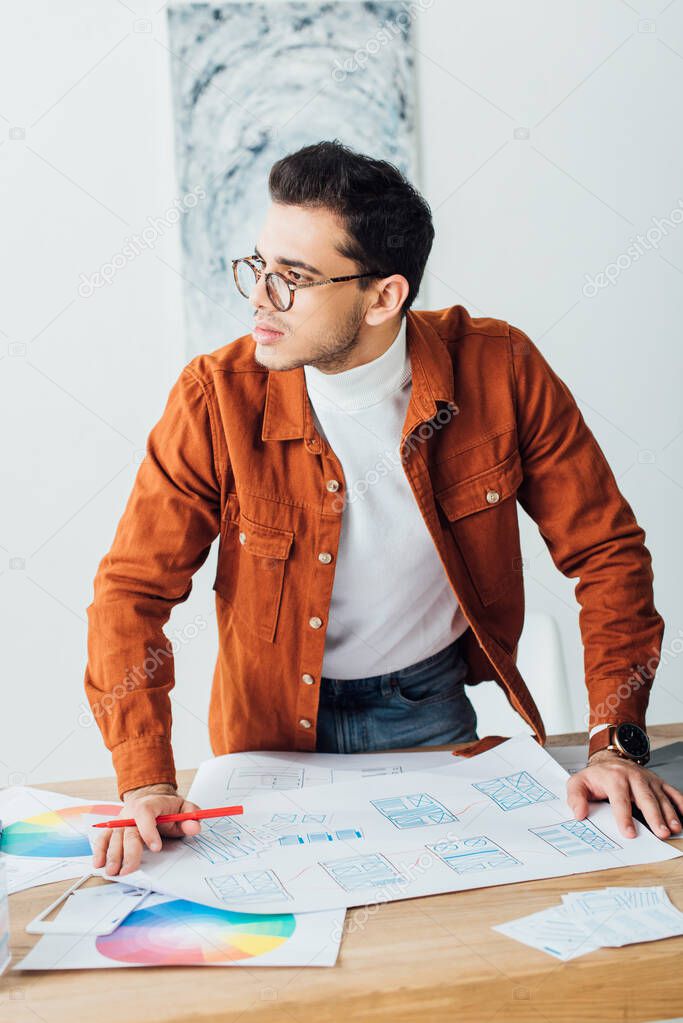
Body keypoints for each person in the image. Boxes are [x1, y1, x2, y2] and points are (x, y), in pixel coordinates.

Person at [87, 140, 682, 878]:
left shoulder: (500, 368)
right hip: (266, 732)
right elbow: (130, 592)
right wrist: (146, 774)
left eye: (293, 280)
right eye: (258, 267)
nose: (258, 299)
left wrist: (613, 742)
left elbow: (607, 552)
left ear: (382, 297)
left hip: (425, 711)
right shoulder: (214, 397)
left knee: (450, 935)